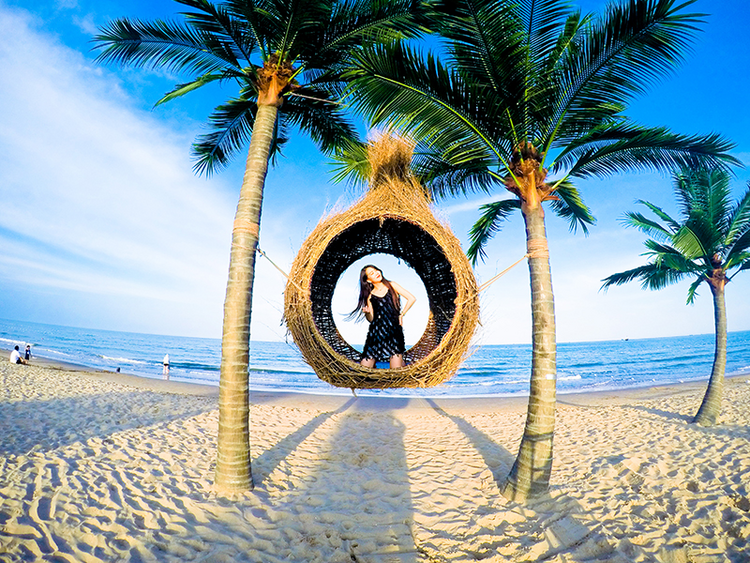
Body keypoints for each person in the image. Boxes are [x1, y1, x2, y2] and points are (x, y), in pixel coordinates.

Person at [352, 265, 416, 369]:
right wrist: (367, 313)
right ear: (368, 280)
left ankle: (402, 363)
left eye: (376, 270)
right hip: (376, 335)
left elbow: (411, 298)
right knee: (364, 370)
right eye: (372, 273)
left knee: (396, 371)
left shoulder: (392, 285)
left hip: (394, 334)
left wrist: (402, 314)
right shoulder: (370, 296)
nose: (376, 273)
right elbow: (371, 319)